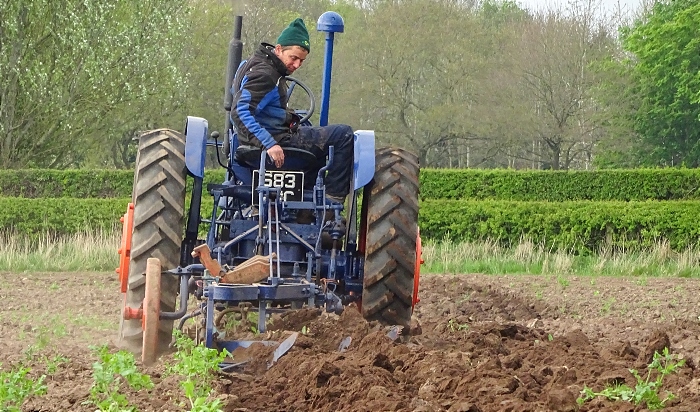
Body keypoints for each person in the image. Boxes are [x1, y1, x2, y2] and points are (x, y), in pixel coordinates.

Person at [231, 18, 354, 205]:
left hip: (250, 143)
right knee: (343, 135)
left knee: (315, 148)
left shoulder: (249, 64)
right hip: (274, 142)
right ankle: (331, 201)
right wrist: (269, 144)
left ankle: (303, 207)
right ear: (279, 49)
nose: (297, 65)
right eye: (294, 58)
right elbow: (240, 111)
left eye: (301, 61)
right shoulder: (266, 75)